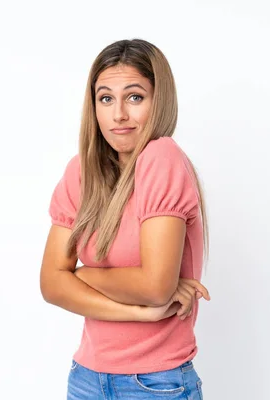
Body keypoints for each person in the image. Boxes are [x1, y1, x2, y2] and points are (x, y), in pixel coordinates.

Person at [40, 38, 211, 399]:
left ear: (158, 100)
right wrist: (143, 314)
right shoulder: (82, 172)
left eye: (135, 97)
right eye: (106, 98)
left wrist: (83, 275)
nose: (118, 113)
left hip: (154, 384)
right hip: (87, 378)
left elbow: (154, 287)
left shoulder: (161, 157)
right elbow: (51, 285)